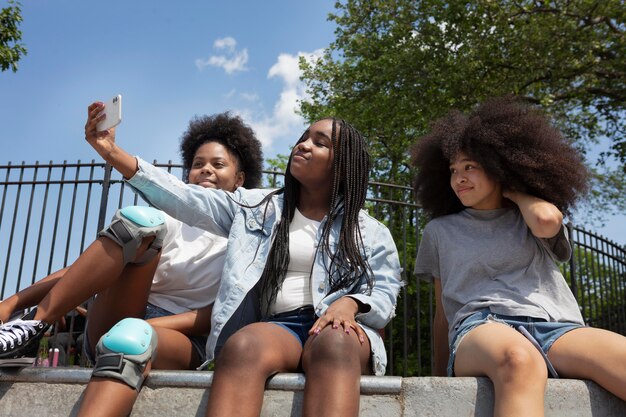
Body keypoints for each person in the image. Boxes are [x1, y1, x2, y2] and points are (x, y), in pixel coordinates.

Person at [83, 101, 403, 417]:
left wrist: (350, 303)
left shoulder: (371, 233)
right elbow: (183, 197)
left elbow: (385, 291)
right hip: (282, 327)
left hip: (340, 328)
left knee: (335, 342)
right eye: (303, 138)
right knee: (243, 345)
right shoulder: (255, 207)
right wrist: (112, 152)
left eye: (319, 143)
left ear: (343, 164)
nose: (303, 145)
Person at [0, 111, 263, 416]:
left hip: (178, 338)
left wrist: (141, 326)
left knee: (131, 337)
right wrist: (10, 304)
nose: (205, 171)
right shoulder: (169, 220)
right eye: (197, 164)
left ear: (240, 179)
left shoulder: (248, 238)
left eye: (218, 164)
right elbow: (84, 271)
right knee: (139, 222)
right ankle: (31, 329)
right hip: (121, 313)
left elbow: (214, 316)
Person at [412, 96, 626, 417]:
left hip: (555, 327)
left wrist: (512, 189)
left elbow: (547, 221)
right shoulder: (440, 231)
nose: (459, 178)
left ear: (498, 166)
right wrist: (439, 374)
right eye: (454, 170)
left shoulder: (528, 216)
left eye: (471, 166)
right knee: (519, 359)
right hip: (480, 328)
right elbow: (443, 312)